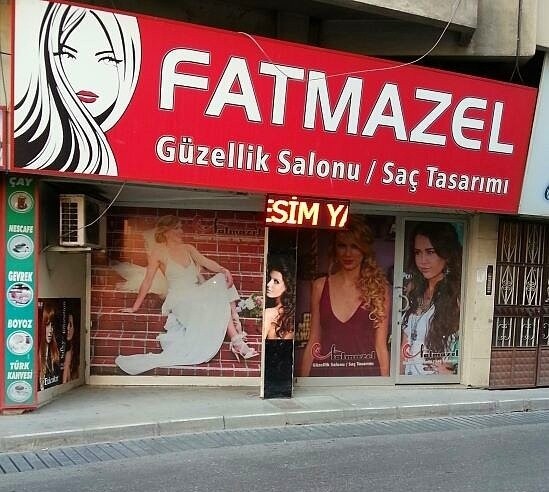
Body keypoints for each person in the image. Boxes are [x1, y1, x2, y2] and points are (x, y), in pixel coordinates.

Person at [115, 215, 258, 375]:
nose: (181, 231)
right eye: (177, 228)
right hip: (178, 297)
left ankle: (236, 339)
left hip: (196, 291)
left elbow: (206, 262)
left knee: (220, 278)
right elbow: (148, 281)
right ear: (166, 231)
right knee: (210, 300)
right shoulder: (158, 252)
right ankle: (236, 337)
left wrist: (224, 270)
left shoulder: (188, 248)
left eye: (181, 227)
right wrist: (135, 307)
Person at [14, 2, 141, 175]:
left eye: (108, 59)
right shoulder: (20, 145)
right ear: (46, 56)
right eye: (67, 54)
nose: (88, 76)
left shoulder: (117, 151)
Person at [299, 216, 391, 377]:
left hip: (365, 376)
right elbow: (314, 340)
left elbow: (380, 347)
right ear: (335, 249)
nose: (348, 253)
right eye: (342, 246)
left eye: (354, 246)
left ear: (364, 250)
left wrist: (385, 386)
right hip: (325, 374)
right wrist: (304, 382)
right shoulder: (320, 286)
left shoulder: (379, 289)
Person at [400, 222, 462, 376]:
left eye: (430, 252)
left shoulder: (457, 295)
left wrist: (454, 371)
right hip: (408, 380)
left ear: (446, 254)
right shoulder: (413, 291)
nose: (423, 261)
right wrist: (398, 378)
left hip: (435, 381)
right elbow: (404, 345)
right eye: (417, 253)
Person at [264, 257, 296, 340]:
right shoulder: (291, 314)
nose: (268, 284)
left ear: (287, 286)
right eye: (269, 279)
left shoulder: (269, 313)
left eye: (276, 281)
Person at [39, 302, 61, 390]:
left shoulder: (54, 352)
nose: (50, 330)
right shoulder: (36, 354)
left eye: (52, 325)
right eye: (47, 325)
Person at [62, 312, 80, 383]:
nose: (68, 328)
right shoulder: (63, 348)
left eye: (70, 325)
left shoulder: (77, 352)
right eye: (66, 324)